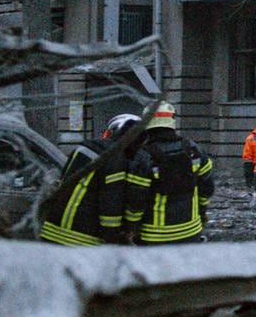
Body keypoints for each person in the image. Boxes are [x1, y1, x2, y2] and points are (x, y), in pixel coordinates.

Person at [39, 113, 143, 247]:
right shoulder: (116, 159)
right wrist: (114, 238)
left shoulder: (83, 148)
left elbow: (62, 180)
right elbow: (111, 207)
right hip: (82, 238)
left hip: (52, 230)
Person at [123, 103, 216, 244]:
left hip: (154, 236)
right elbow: (207, 188)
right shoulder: (193, 149)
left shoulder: (144, 156)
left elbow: (136, 199)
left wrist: (131, 227)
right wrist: (202, 213)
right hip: (191, 231)